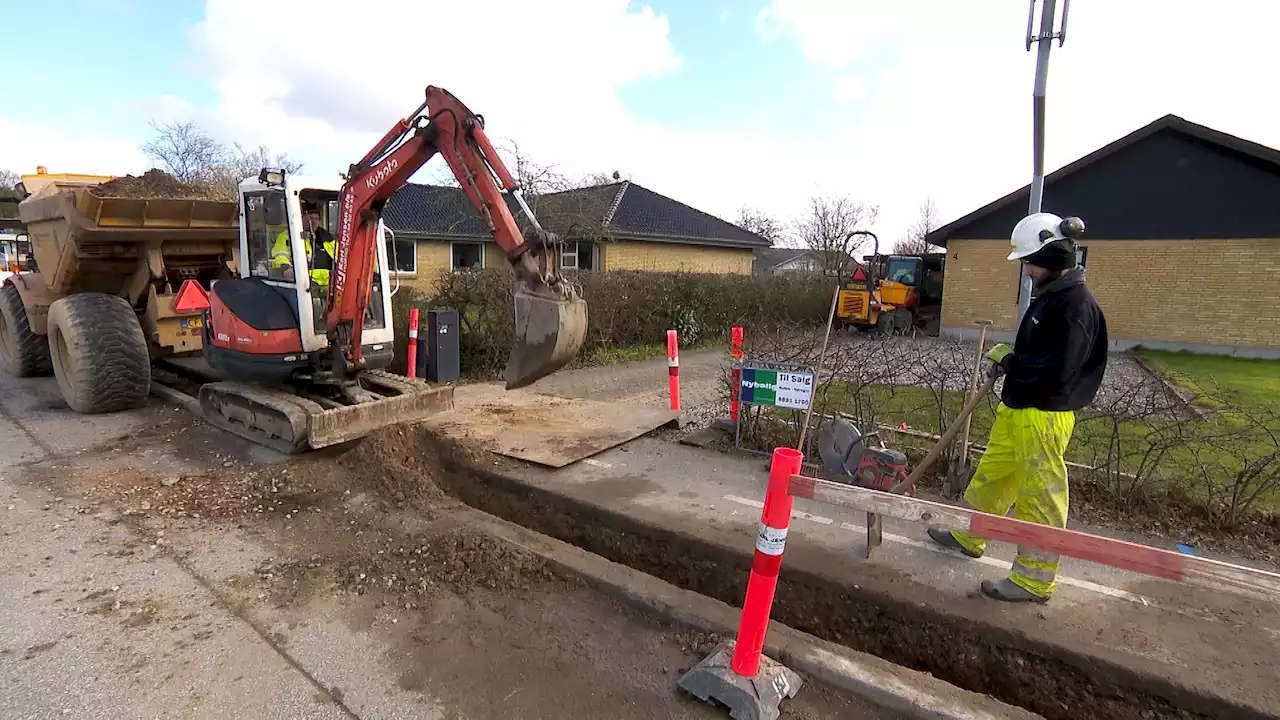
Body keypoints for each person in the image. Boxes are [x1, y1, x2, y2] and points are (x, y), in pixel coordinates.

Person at [927, 212, 1108, 603]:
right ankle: (970, 534)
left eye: (1030, 262)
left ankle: (1033, 580)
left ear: (1054, 257)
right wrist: (1013, 359)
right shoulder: (1054, 298)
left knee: (1039, 496)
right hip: (1020, 410)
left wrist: (1011, 363)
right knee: (993, 475)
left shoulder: (1075, 306)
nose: (1026, 271)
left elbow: (1059, 371)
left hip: (1043, 415)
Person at [270, 203, 336, 287]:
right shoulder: (289, 236)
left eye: (317, 219)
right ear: (302, 219)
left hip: (328, 287)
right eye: (310, 218)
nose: (314, 221)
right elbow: (280, 255)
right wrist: (286, 268)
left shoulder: (328, 238)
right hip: (304, 285)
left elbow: (340, 259)